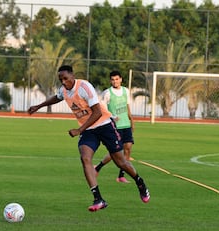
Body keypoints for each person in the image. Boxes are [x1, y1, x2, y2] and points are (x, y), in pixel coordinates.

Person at [27, 65, 150, 212]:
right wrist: (38, 106)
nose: (64, 82)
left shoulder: (84, 87)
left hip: (104, 125)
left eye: (66, 78)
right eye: (61, 80)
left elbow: (97, 112)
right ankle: (98, 199)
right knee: (85, 157)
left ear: (72, 75)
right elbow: (57, 97)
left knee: (120, 162)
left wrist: (79, 130)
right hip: (89, 130)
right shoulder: (64, 90)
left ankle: (140, 182)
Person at [95, 71, 134, 183]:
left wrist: (132, 121)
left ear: (121, 79)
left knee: (128, 148)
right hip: (115, 126)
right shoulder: (107, 93)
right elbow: (101, 108)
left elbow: (127, 107)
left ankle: (121, 176)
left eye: (117, 79)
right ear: (110, 81)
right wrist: (112, 116)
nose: (115, 81)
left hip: (126, 125)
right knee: (116, 152)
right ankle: (98, 167)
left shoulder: (126, 91)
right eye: (112, 79)